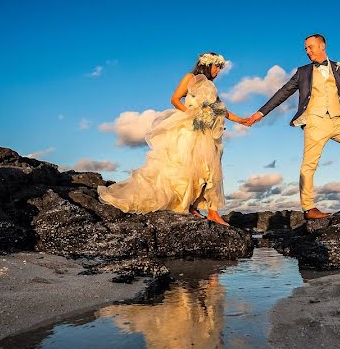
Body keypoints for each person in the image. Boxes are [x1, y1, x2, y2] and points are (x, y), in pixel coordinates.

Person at [244, 34, 340, 220]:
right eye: (305, 48)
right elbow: (283, 93)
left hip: (339, 120)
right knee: (309, 165)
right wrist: (260, 113)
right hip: (315, 121)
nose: (307, 51)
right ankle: (309, 208)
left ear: (322, 46)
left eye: (310, 47)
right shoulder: (303, 72)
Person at [98, 52, 245, 225]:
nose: (218, 72)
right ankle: (191, 207)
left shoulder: (211, 87)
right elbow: (175, 99)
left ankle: (212, 212)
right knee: (189, 169)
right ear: (207, 64)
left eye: (219, 68)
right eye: (216, 67)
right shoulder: (190, 78)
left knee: (210, 170)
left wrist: (243, 120)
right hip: (189, 129)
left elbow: (221, 110)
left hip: (206, 133)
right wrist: (192, 114)